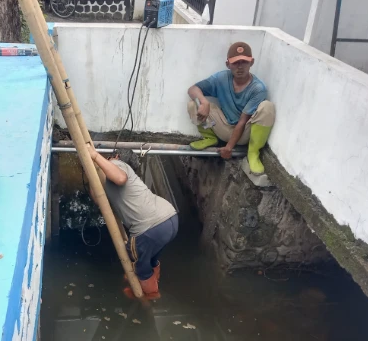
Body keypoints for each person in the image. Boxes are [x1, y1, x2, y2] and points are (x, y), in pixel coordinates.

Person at [86, 143, 178, 300]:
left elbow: (120, 178)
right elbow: (98, 199)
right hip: (170, 218)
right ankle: (151, 281)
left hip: (149, 228)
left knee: (136, 260)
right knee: (150, 258)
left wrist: (95, 156)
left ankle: (151, 294)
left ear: (117, 156)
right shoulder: (123, 177)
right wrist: (92, 172)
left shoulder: (118, 164)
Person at [186, 42, 276, 175]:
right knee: (193, 104)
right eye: (235, 63)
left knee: (267, 107)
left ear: (251, 62)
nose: (240, 67)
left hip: (245, 132)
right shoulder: (221, 78)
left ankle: (253, 152)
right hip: (223, 126)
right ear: (228, 64)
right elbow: (193, 89)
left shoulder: (258, 88)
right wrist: (204, 102)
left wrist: (229, 148)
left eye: (244, 62)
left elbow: (242, 121)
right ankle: (209, 138)